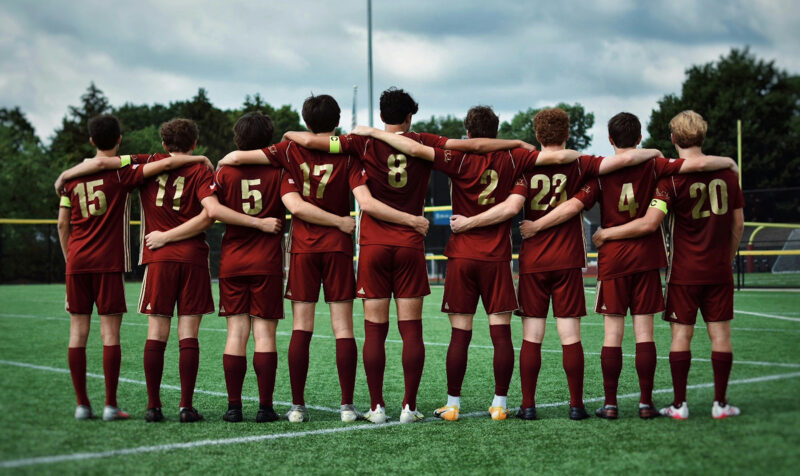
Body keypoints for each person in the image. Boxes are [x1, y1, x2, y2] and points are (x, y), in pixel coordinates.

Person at [283, 87, 533, 423]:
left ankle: (375, 408)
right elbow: (471, 146)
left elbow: (314, 142)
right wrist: (515, 145)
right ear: (409, 116)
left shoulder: (362, 143)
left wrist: (287, 134)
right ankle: (408, 407)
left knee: (374, 331)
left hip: (372, 245)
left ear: (382, 115)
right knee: (411, 331)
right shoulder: (424, 141)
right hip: (411, 244)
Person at [352, 105, 579, 421]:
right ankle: (499, 403)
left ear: (468, 133)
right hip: (497, 257)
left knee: (460, 335)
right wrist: (520, 145)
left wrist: (373, 132)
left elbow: (415, 148)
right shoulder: (514, 158)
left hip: (461, 256)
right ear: (496, 133)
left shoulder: (455, 157)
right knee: (501, 334)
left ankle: (453, 404)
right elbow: (554, 161)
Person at [218, 94, 428, 423]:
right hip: (339, 247)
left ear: (304, 121)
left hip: (303, 247)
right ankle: (347, 406)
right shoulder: (346, 150)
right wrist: (343, 222)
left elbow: (242, 158)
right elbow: (363, 198)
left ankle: (297, 406)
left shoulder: (288, 150)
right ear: (338, 119)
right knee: (343, 327)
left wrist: (220, 161)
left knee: (302, 327)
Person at [448, 108, 662, 421]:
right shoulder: (580, 163)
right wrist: (653, 150)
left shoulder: (525, 163)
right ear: (567, 134)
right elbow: (623, 161)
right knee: (570, 335)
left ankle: (529, 406)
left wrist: (531, 226)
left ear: (537, 135)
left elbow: (515, 205)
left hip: (534, 260)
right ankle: (576, 405)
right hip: (568, 259)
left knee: (531, 336)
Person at [522, 112, 737, 419]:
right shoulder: (656, 166)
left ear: (610, 139)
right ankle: (646, 403)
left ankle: (610, 404)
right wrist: (729, 163)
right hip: (648, 259)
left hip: (613, 260)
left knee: (612, 335)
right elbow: (695, 164)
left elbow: (575, 204)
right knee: (644, 334)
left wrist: (538, 225)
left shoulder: (598, 172)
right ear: (639, 137)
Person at [55, 114, 210, 421]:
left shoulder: (138, 166)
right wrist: (202, 157)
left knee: (146, 331)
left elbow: (64, 221)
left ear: (163, 143)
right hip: (180, 256)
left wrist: (65, 174)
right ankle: (181, 406)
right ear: (193, 144)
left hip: (146, 257)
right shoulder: (199, 168)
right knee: (186, 332)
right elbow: (210, 212)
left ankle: (144, 406)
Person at [592, 110, 744, 419]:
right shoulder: (724, 175)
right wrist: (728, 257)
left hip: (679, 270)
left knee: (667, 337)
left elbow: (651, 221)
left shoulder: (669, 180)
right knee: (718, 337)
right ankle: (715, 404)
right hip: (710, 268)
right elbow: (738, 224)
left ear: (673, 138)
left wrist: (605, 233)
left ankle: (671, 405)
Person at [146, 112, 288, 423]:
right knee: (264, 334)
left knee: (236, 332)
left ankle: (234, 408)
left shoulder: (223, 172)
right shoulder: (279, 170)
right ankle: (265, 408)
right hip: (267, 261)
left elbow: (213, 210)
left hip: (233, 261)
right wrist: (263, 222)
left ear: (238, 139)